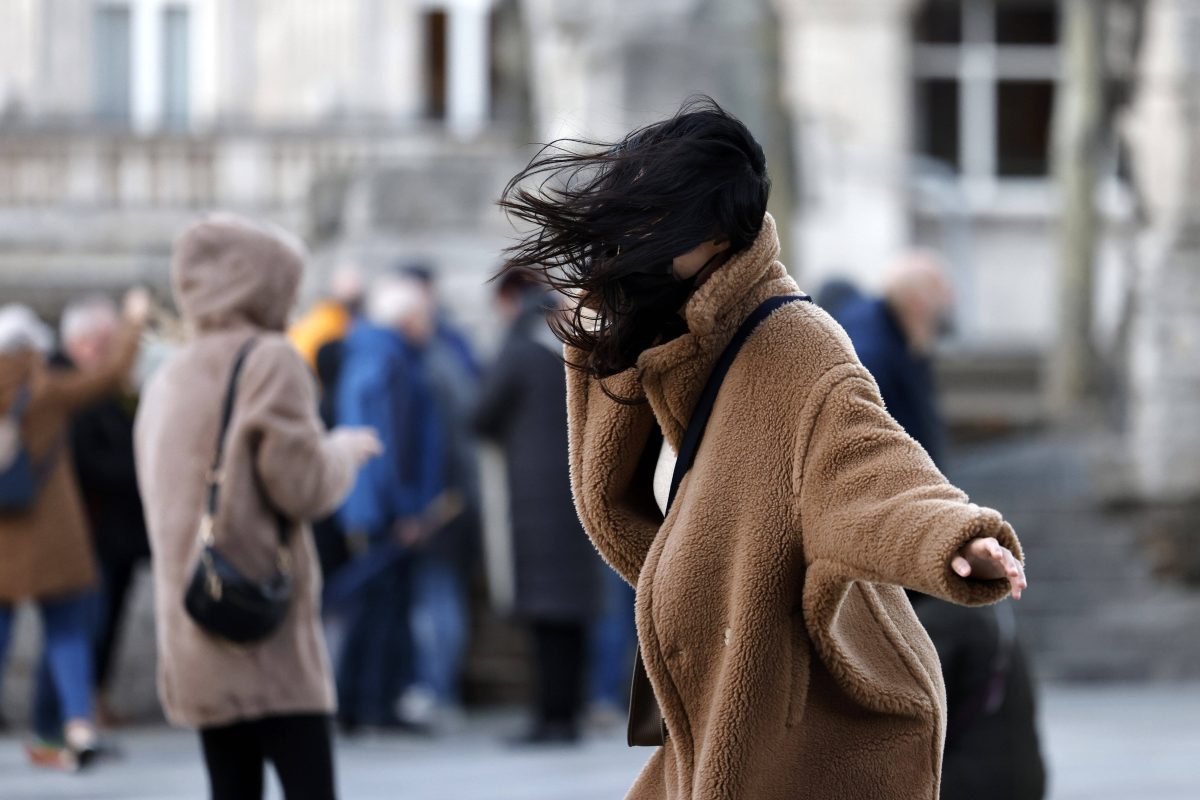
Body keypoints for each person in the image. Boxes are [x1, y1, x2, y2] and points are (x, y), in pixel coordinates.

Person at [496, 97, 1028, 800]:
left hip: (811, 730)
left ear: (713, 231)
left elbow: (869, 460)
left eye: (656, 215)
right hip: (724, 717)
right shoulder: (673, 331)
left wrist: (954, 534)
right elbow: (609, 494)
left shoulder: (796, 342)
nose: (636, 233)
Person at [133, 214, 381, 800]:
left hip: (197, 620)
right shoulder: (271, 358)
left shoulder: (167, 376)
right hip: (265, 633)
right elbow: (302, 485)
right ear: (262, 285)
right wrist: (342, 450)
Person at [834, 252, 1046, 800]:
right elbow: (881, 463)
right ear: (919, 300)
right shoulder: (872, 348)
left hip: (922, 527)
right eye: (943, 294)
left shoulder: (898, 342)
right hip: (901, 528)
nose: (951, 307)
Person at [0, 295, 146, 770]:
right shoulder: (46, 386)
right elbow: (109, 376)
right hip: (53, 538)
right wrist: (132, 324)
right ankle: (78, 727)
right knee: (67, 633)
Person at [473, 271, 602, 744]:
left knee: (546, 616)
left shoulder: (519, 348)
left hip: (532, 498)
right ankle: (571, 714)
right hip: (578, 492)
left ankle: (550, 718)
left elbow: (481, 414)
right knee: (573, 614)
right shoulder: (577, 347)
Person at [333, 275, 450, 732]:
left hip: (371, 504)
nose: (430, 323)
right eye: (424, 315)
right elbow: (395, 444)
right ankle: (373, 706)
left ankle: (360, 705)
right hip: (387, 509)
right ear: (405, 318)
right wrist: (406, 509)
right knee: (382, 609)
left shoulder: (371, 353)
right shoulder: (390, 360)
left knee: (375, 608)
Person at [60, 295, 151, 727]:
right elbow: (90, 463)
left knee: (107, 619)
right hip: (91, 529)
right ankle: (75, 711)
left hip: (118, 529)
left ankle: (91, 700)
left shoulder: (105, 388)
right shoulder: (69, 386)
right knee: (83, 626)